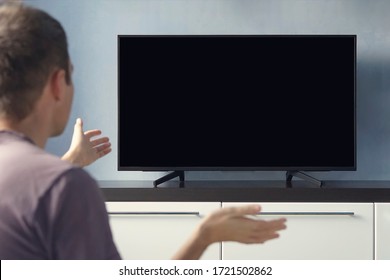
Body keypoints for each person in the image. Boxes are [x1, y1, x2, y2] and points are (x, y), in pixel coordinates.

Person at [0, 3, 286, 260]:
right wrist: (204, 236)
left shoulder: (50, 185)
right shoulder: (66, 188)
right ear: (58, 83)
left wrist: (71, 161)